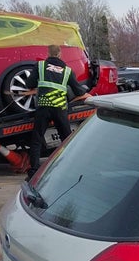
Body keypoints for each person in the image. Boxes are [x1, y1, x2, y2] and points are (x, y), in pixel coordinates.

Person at [22, 44, 92, 180]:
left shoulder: (40, 66)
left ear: (48, 54)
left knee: (37, 140)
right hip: (59, 109)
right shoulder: (67, 71)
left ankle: (33, 172)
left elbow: (29, 84)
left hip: (43, 108)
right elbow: (78, 91)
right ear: (60, 55)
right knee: (66, 140)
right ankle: (69, 167)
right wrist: (84, 91)